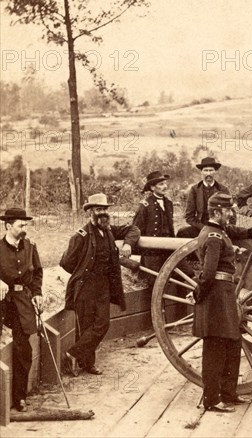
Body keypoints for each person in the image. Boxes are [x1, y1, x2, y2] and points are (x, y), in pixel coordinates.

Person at [192, 192, 252, 412]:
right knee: (214, 349)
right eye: (228, 211)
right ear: (216, 212)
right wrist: (197, 293)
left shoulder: (218, 230)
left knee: (232, 344)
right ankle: (212, 400)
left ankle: (229, 393)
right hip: (215, 296)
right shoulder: (213, 237)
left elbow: (232, 231)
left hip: (224, 295)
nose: (231, 214)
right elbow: (208, 273)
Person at [60, 193, 140, 376]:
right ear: (90, 212)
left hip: (103, 287)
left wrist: (127, 244)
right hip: (86, 287)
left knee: (102, 324)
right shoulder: (81, 236)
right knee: (86, 326)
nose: (102, 213)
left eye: (104, 209)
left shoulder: (110, 230)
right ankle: (86, 364)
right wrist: (82, 272)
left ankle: (71, 353)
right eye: (98, 209)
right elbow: (65, 262)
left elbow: (134, 229)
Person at [0, 208, 43, 412]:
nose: (24, 228)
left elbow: (38, 273)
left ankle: (19, 397)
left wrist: (37, 293)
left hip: (23, 302)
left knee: (24, 349)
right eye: (20, 225)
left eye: (25, 225)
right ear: (8, 226)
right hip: (2, 303)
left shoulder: (30, 247)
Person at [176, 157, 229, 238]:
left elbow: (231, 213)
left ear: (215, 172)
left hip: (218, 228)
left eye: (211, 170)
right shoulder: (194, 190)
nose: (208, 173)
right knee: (182, 232)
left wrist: (223, 227)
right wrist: (203, 228)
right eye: (206, 170)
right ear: (201, 172)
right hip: (200, 228)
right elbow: (189, 217)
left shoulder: (223, 189)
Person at [133, 171, 175, 274]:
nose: (165, 186)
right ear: (152, 188)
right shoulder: (145, 205)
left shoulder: (169, 203)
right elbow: (136, 229)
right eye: (161, 184)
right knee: (154, 278)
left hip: (169, 246)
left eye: (165, 183)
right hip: (152, 250)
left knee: (186, 273)